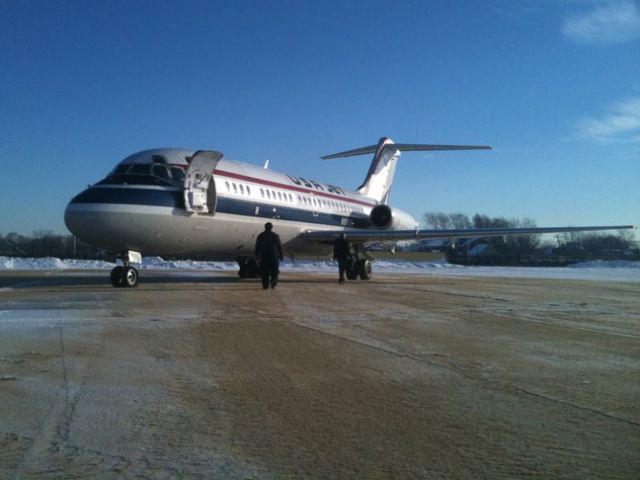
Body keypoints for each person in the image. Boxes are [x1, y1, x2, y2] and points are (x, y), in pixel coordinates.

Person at [254, 222, 283, 289]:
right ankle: (273, 282)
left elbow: (257, 246)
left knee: (265, 271)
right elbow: (279, 246)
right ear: (271, 227)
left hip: (264, 256)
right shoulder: (275, 235)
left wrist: (257, 255)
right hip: (273, 256)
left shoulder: (260, 235)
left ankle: (265, 285)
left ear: (265, 227)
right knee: (274, 271)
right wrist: (281, 255)